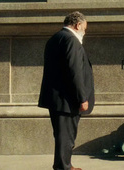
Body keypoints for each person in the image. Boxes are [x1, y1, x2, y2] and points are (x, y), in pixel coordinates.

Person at [38, 11, 95, 170]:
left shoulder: (55, 38)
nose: (84, 32)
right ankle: (63, 167)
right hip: (67, 99)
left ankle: (63, 165)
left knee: (62, 135)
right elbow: (74, 71)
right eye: (84, 28)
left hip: (57, 98)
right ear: (78, 25)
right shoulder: (71, 40)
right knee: (66, 136)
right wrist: (82, 98)